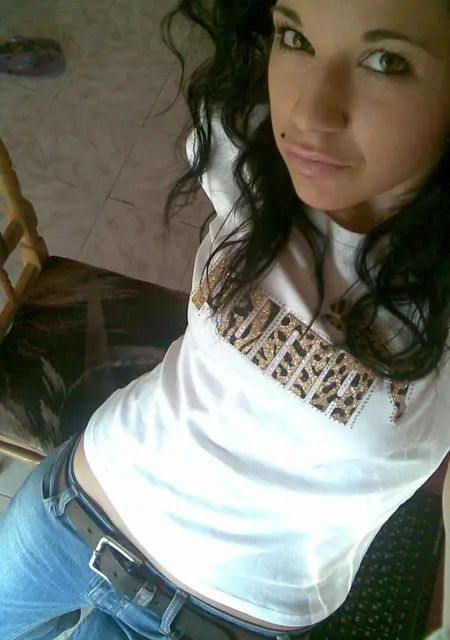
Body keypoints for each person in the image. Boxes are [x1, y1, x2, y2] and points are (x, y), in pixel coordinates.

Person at [1, 0, 450, 638]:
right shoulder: (246, 144)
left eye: (387, 61)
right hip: (72, 508)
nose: (309, 112)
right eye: (296, 37)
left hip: (211, 619)